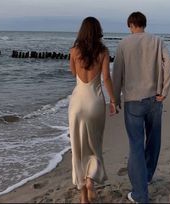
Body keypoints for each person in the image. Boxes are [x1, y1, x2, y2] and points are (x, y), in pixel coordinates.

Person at [112, 11, 170, 203]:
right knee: (154, 141)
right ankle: (146, 176)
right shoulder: (157, 41)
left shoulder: (123, 44)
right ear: (144, 24)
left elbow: (117, 73)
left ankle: (140, 194)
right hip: (154, 98)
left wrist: (115, 99)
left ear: (131, 24)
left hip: (133, 101)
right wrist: (164, 90)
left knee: (136, 146)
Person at [68, 16, 117, 203]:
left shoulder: (74, 50)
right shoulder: (103, 51)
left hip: (77, 103)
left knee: (78, 148)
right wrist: (113, 100)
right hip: (95, 102)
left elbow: (73, 73)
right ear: (98, 31)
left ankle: (82, 195)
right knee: (95, 145)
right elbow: (106, 78)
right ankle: (90, 180)